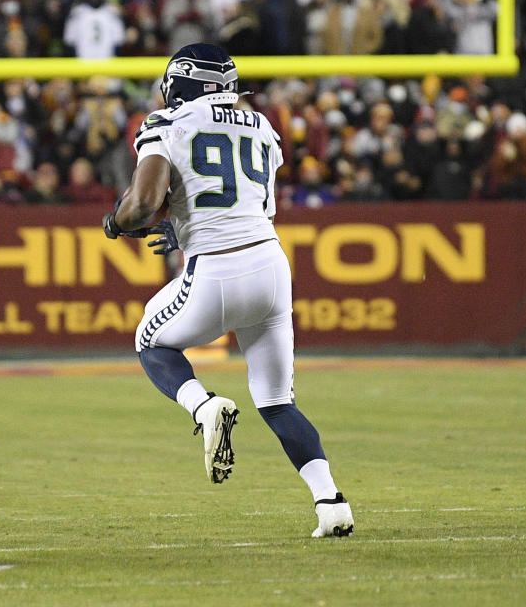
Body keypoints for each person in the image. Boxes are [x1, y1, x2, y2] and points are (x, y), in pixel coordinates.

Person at [102, 44, 354, 538]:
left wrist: (116, 223)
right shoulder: (262, 126)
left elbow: (145, 202)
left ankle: (204, 406)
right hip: (271, 265)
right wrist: (184, 222)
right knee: (279, 400)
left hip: (216, 270)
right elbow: (241, 199)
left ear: (182, 83)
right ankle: (331, 502)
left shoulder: (164, 123)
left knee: (150, 341)